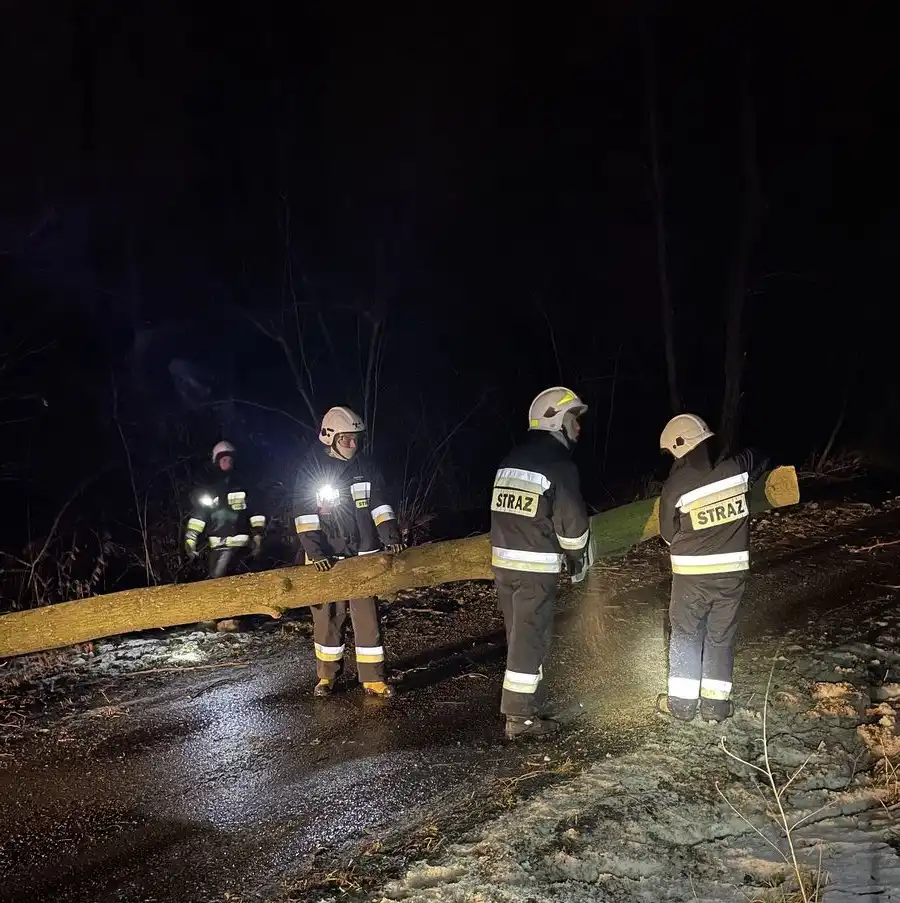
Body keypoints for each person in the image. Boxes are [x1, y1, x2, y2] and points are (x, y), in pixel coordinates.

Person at [490, 387, 592, 741]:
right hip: (536, 569)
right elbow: (573, 526)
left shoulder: (510, 460)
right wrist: (579, 560)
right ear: (556, 421)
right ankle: (520, 719)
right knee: (530, 641)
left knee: (519, 637)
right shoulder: (559, 464)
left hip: (504, 567)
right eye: (574, 418)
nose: (578, 426)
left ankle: (523, 707)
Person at [657, 414, 768, 722]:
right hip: (731, 574)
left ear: (680, 448)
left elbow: (667, 536)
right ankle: (716, 708)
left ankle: (681, 707)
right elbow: (760, 456)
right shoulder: (736, 467)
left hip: (691, 576)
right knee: (720, 636)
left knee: (686, 635)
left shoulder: (674, 487)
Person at [293, 406, 405, 698]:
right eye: (347, 439)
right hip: (327, 560)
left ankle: (373, 679)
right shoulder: (311, 470)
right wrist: (316, 553)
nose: (354, 445)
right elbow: (305, 516)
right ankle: (326, 677)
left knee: (367, 619)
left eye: (357, 439)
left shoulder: (366, 468)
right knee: (328, 618)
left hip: (364, 554)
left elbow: (380, 505)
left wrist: (390, 535)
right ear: (330, 438)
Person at [184, 440, 267, 578]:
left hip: (242, 551)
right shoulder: (210, 490)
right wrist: (190, 540)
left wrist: (258, 536)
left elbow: (256, 514)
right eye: (223, 459)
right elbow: (199, 517)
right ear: (216, 461)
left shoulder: (244, 486)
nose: (227, 462)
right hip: (218, 549)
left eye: (230, 459)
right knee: (217, 589)